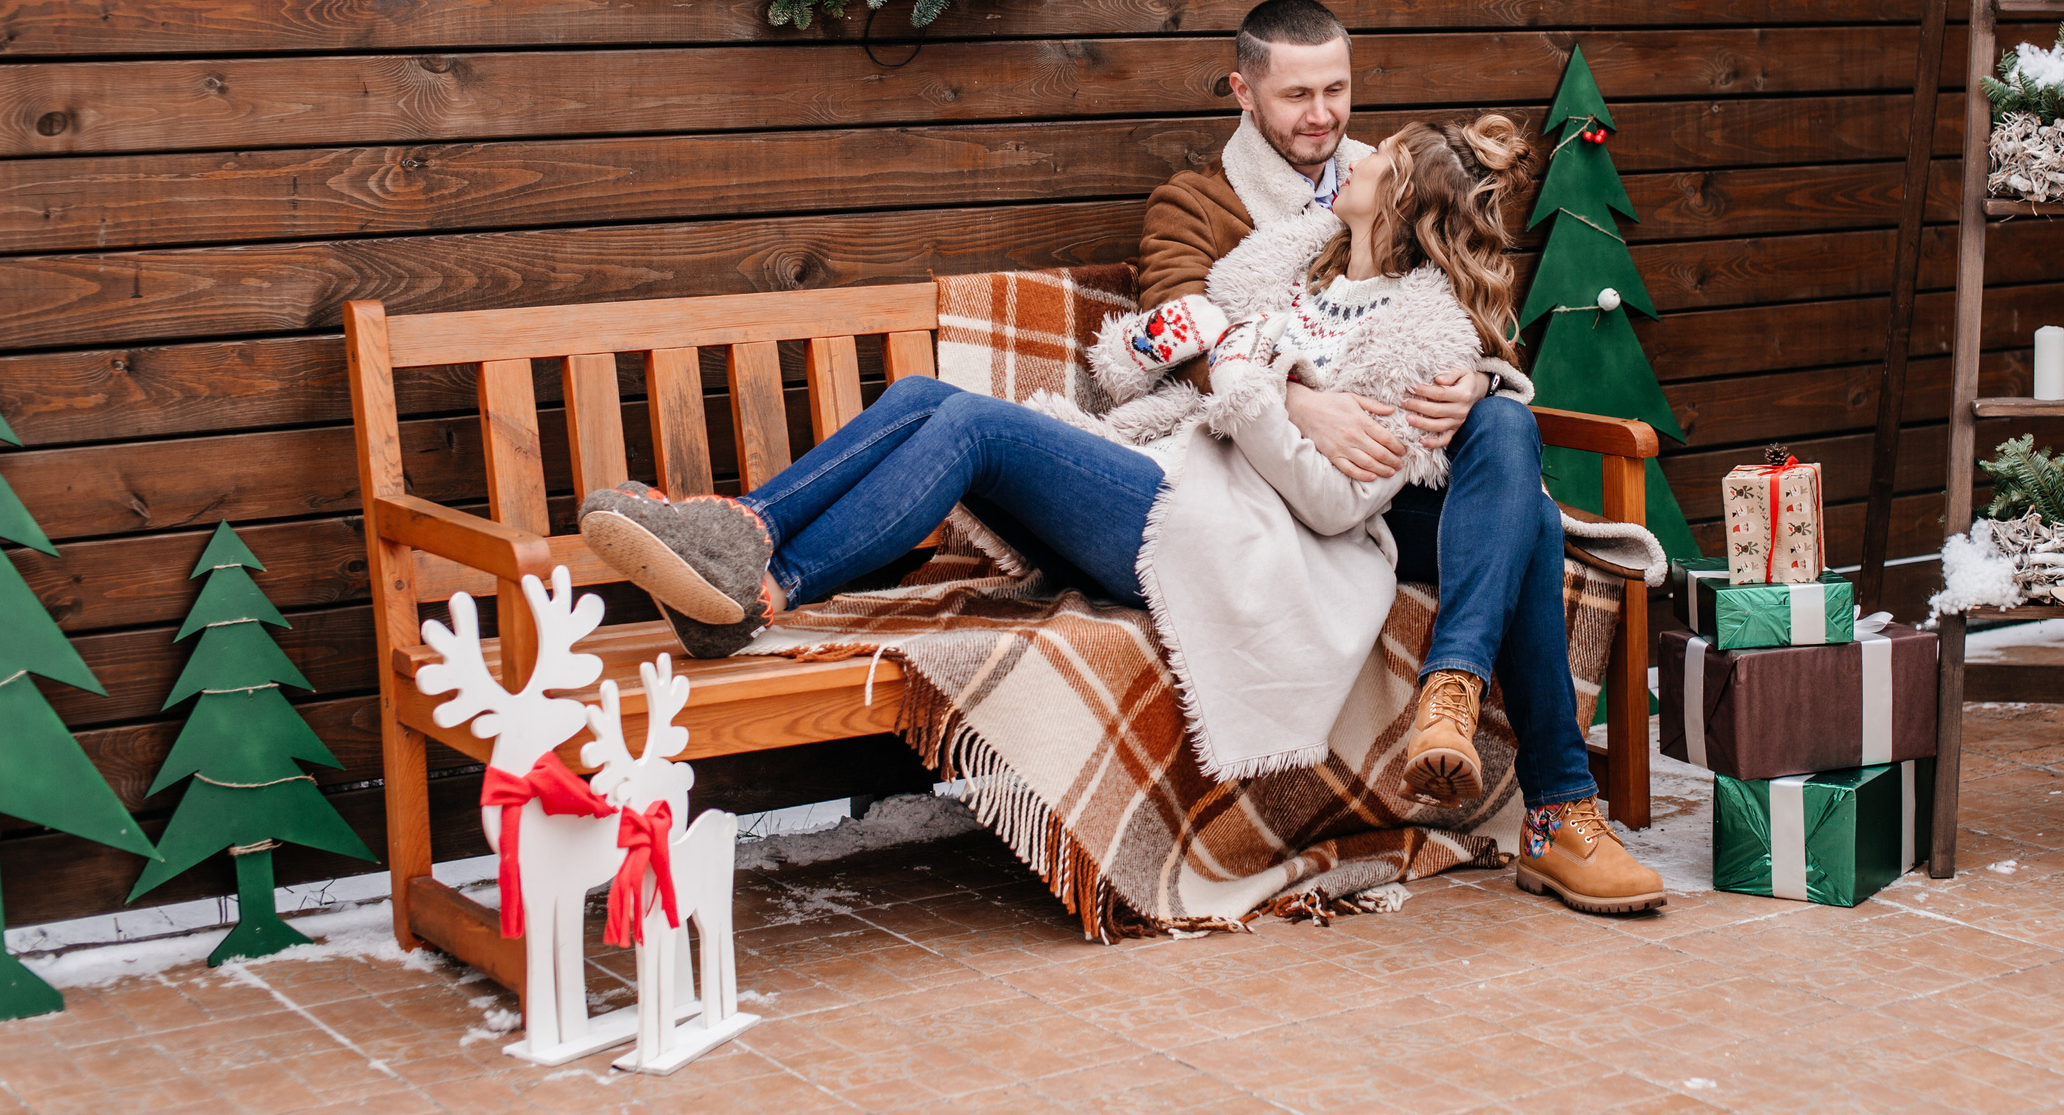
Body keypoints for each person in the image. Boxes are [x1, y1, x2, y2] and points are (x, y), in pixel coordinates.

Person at [572, 116, 1621, 810]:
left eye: (1376, 161)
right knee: (921, 398)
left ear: (1394, 206)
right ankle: (744, 548)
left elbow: (1336, 502)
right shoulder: (1278, 270)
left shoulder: (1419, 342)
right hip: (1164, 473)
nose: (1350, 155)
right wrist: (1202, 347)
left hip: (1225, 536)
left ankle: (763, 580)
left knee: (971, 429)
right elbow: (1141, 368)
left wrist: (1254, 380)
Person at [1135, 0, 1666, 916]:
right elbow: (1185, 331)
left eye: (1337, 89)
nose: (1324, 115)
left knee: (1503, 428)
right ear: (1242, 91)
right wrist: (1302, 398)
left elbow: (1461, 309)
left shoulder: (1390, 175)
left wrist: (1482, 383)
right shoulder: (1200, 204)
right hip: (1295, 484)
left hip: (1405, 477)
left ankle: (1455, 701)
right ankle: (1561, 815)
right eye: (1297, 94)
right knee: (1533, 522)